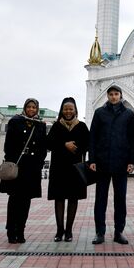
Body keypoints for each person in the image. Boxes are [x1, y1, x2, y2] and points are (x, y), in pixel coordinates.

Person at [89, 84, 134, 245]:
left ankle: (119, 232)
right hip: (102, 162)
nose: (114, 97)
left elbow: (132, 139)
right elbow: (93, 138)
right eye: (111, 94)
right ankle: (100, 232)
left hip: (121, 163)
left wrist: (132, 161)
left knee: (120, 199)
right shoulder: (99, 113)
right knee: (100, 199)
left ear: (120, 96)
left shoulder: (128, 114)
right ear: (107, 96)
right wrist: (92, 160)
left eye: (116, 94)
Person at [0, 98, 47, 243]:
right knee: (14, 200)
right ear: (25, 108)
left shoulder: (40, 125)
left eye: (34, 107)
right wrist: (12, 162)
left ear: (37, 109)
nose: (32, 110)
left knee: (26, 201)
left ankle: (20, 230)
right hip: (17, 166)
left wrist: (39, 163)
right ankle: (10, 231)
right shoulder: (15, 121)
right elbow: (8, 145)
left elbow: (43, 148)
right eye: (29, 107)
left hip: (31, 169)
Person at [47, 97, 90, 242]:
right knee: (59, 199)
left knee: (73, 199)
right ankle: (59, 231)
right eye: (65, 109)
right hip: (59, 168)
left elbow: (87, 144)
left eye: (71, 109)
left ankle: (69, 231)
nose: (68, 111)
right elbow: (49, 144)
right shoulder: (56, 126)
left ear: (75, 110)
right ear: (62, 110)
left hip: (75, 169)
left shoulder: (82, 126)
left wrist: (75, 146)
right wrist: (64, 144)